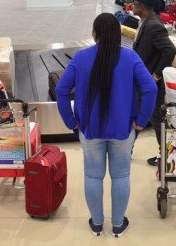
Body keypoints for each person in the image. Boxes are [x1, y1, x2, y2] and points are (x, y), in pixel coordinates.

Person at [55, 13, 157, 237]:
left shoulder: (81, 58)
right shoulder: (130, 58)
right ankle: (119, 224)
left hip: (90, 131)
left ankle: (97, 224)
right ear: (118, 34)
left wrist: (71, 123)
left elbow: (61, 91)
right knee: (120, 176)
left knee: (93, 176)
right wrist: (141, 121)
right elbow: (150, 89)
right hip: (123, 131)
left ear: (94, 34)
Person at [131, 0, 176, 167]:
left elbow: (170, 50)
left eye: (135, 3)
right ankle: (130, 150)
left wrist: (156, 75)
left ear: (142, 6)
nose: (132, 5)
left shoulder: (153, 26)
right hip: (143, 83)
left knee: (157, 120)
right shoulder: (146, 22)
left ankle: (166, 157)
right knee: (143, 115)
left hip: (153, 86)